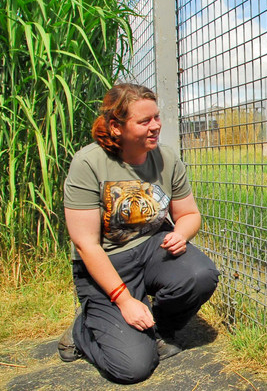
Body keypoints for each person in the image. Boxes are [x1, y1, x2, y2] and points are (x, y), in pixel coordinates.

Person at [58, 83, 220, 384]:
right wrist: (123, 300)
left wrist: (182, 234)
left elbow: (189, 215)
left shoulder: (167, 158)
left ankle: (157, 329)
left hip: (152, 250)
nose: (155, 126)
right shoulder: (88, 163)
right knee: (133, 369)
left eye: (156, 117)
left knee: (200, 275)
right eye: (144, 121)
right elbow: (85, 243)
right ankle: (85, 329)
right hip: (105, 263)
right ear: (116, 127)